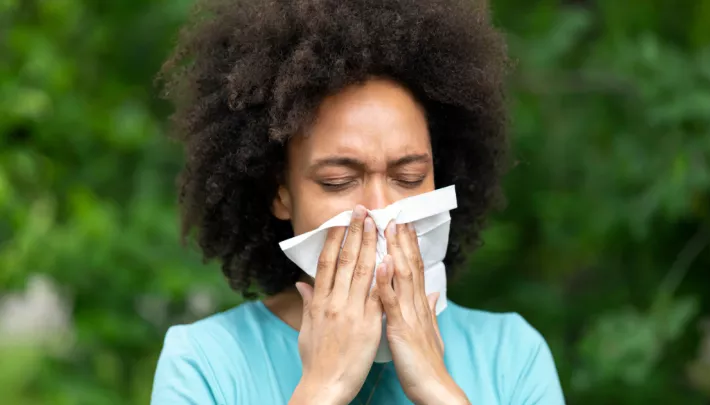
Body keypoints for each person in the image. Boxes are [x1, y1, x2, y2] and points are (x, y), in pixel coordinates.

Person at [151, 0, 565, 404]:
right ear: (281, 193)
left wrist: (437, 388)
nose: (380, 210)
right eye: (339, 181)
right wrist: (323, 389)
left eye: (409, 177)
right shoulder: (205, 362)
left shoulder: (513, 357)